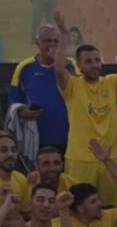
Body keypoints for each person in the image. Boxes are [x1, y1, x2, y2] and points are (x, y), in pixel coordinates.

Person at [53, 10, 117, 207]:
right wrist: (64, 37)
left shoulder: (110, 83)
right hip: (81, 159)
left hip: (110, 158)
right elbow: (59, 69)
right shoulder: (73, 86)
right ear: (78, 65)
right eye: (88, 61)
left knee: (113, 209)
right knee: (79, 208)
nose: (94, 65)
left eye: (97, 60)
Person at [9, 23, 75, 152]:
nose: (52, 45)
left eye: (56, 41)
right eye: (47, 41)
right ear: (37, 43)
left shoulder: (72, 65)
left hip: (71, 137)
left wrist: (61, 63)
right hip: (37, 138)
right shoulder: (24, 67)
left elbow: (82, 93)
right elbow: (13, 101)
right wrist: (22, 112)